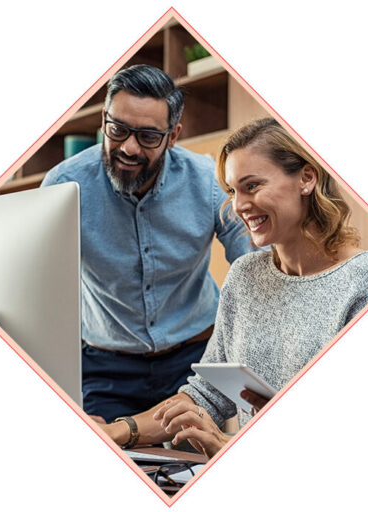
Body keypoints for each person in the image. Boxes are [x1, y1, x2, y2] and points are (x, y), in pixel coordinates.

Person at [101, 117, 368, 457]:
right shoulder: (245, 274)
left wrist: (226, 446)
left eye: (252, 186)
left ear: (306, 178)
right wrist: (119, 431)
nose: (238, 205)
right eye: (232, 191)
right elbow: (207, 394)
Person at [41, 65, 252, 423]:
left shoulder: (206, 182)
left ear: (173, 136)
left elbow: (253, 264)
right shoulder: (64, 186)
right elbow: (41, 286)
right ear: (105, 118)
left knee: (191, 466)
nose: (128, 147)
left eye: (148, 137)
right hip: (106, 369)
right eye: (118, 129)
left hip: (195, 361)